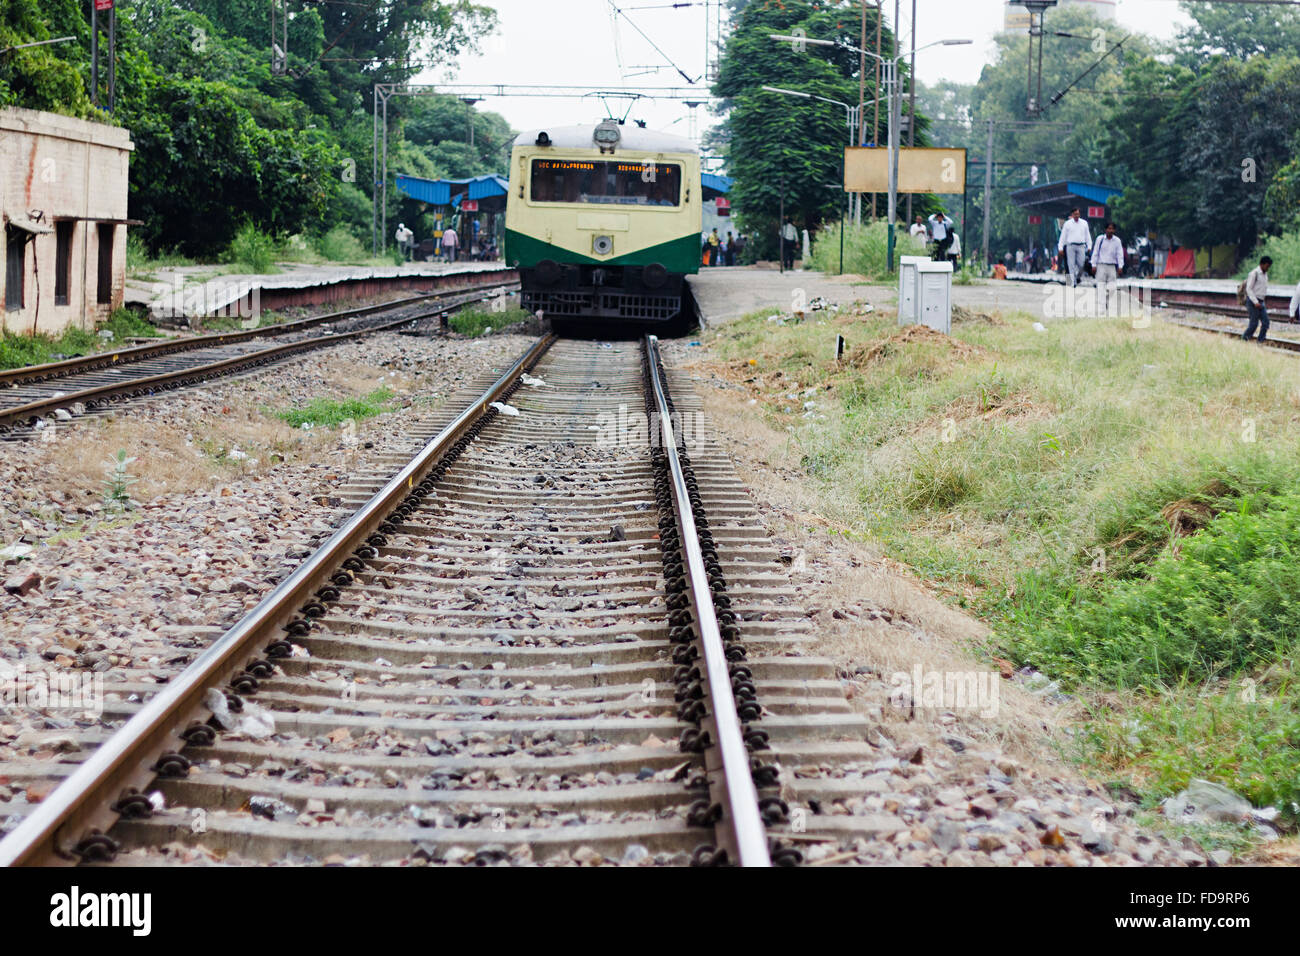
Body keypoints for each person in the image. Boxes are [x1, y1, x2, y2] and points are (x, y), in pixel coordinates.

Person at [1092, 222, 1125, 314]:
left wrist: (1120, 266)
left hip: (1112, 266)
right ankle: (1102, 309)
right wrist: (1093, 265)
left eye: (1112, 229)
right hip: (1101, 265)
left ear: (1114, 230)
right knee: (1101, 287)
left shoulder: (1117, 241)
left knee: (1112, 288)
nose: (1110, 231)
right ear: (1105, 229)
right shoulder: (1100, 239)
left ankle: (1106, 300)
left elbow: (1120, 254)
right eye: (1109, 229)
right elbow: (1095, 252)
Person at [1057, 207, 1092, 287]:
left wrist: (1089, 246)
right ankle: (1073, 282)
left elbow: (1087, 236)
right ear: (1072, 215)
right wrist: (1060, 248)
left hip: (1081, 246)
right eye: (1075, 214)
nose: (1077, 215)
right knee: (1071, 265)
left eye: (1078, 214)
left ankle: (1078, 277)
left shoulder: (1084, 223)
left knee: (1081, 264)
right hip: (1070, 246)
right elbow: (1063, 237)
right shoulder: (1067, 224)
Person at [1243, 255, 1272, 343]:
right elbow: (1249, 289)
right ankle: (1244, 339)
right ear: (1262, 264)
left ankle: (1260, 341)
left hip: (1261, 302)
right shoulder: (1254, 273)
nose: (1268, 268)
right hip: (1253, 301)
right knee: (1254, 324)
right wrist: (1255, 302)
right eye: (1267, 266)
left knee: (1266, 322)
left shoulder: (1265, 275)